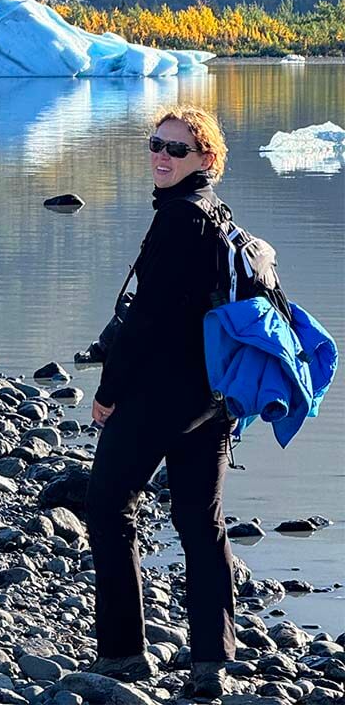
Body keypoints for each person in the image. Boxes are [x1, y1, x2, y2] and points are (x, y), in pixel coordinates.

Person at [85, 106, 236, 700]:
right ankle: (211, 664)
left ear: (205, 159)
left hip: (162, 393)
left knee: (108, 505)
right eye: (156, 144)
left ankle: (124, 653)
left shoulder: (178, 220)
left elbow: (147, 320)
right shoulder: (218, 214)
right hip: (213, 395)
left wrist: (108, 392)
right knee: (201, 522)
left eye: (177, 150)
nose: (161, 157)